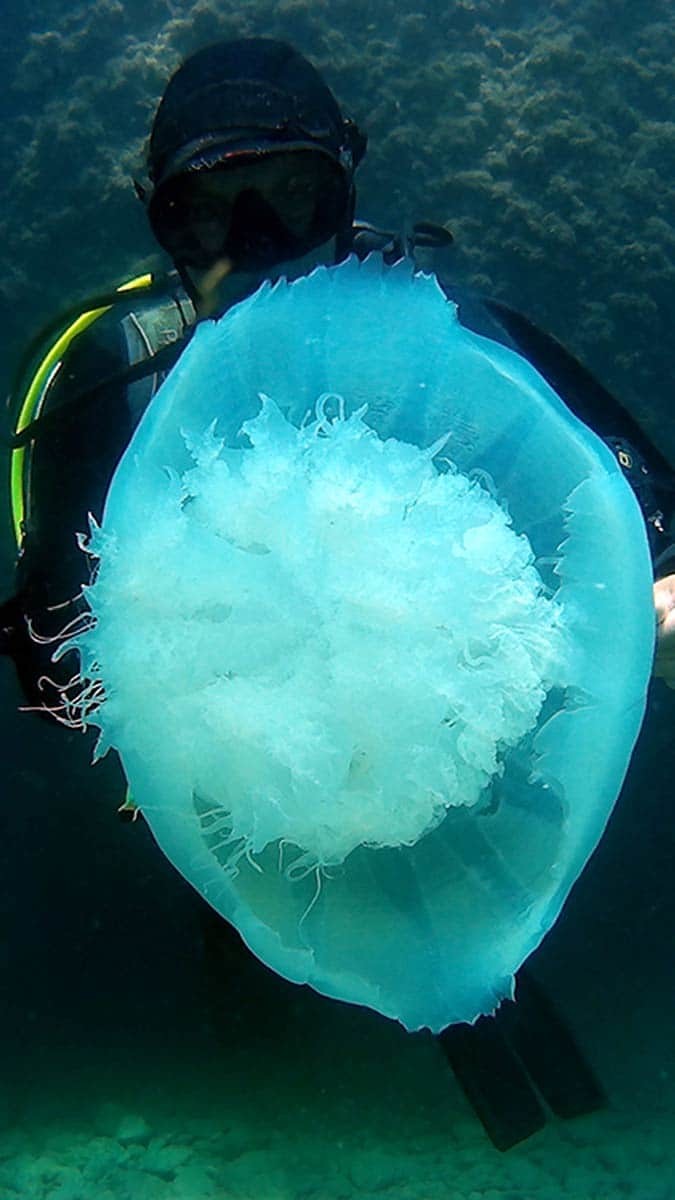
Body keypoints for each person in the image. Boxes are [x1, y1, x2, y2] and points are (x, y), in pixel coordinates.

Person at [0, 36, 672, 1148]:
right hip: (229, 814)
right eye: (208, 212)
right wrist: (127, 724)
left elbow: (651, 521)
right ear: (157, 219)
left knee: (457, 952)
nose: (257, 243)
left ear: (345, 187)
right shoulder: (96, 371)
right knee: (266, 1029)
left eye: (294, 196)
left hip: (499, 787)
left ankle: (481, 1002)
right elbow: (47, 637)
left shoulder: (463, 342)